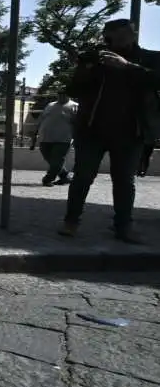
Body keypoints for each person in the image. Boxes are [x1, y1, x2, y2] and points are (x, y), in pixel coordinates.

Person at [60, 18, 160, 242]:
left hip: (131, 131)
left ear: (133, 35)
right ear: (108, 37)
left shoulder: (151, 58)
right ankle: (71, 221)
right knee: (83, 177)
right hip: (92, 129)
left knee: (125, 181)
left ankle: (123, 226)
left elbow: (156, 80)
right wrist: (84, 67)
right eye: (115, 36)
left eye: (126, 35)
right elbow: (74, 89)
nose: (122, 40)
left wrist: (127, 67)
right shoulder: (96, 59)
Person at [30, 91, 76, 186]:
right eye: (59, 94)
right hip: (45, 138)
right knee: (50, 159)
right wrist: (35, 133)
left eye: (63, 93)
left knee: (57, 159)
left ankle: (47, 179)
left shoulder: (74, 106)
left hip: (63, 139)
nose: (61, 95)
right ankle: (64, 176)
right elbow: (41, 119)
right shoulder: (50, 105)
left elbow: (78, 123)